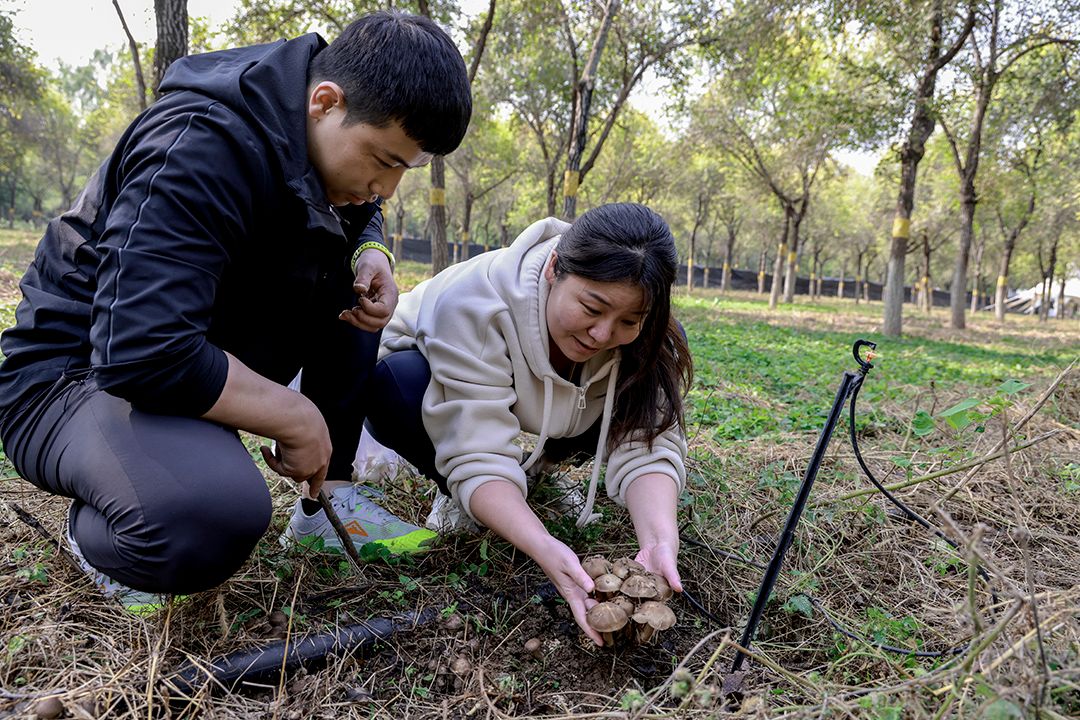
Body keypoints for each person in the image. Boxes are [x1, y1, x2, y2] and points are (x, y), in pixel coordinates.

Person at [0, 11, 471, 612]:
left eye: (405, 170)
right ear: (324, 102)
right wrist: (294, 413)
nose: (385, 189)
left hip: (184, 347)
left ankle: (328, 507)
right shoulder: (200, 144)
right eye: (383, 162)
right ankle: (100, 533)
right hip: (74, 376)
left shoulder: (310, 132)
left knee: (347, 283)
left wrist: (371, 246)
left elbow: (353, 209)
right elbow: (138, 349)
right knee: (210, 515)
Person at [364, 203, 693, 645]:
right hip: (428, 389)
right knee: (397, 383)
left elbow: (646, 440)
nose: (602, 334)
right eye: (592, 308)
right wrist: (540, 544)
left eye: (629, 320)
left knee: (651, 355)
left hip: (556, 407)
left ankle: (537, 472)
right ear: (554, 268)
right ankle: (458, 495)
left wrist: (658, 539)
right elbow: (475, 450)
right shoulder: (476, 303)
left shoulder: (645, 334)